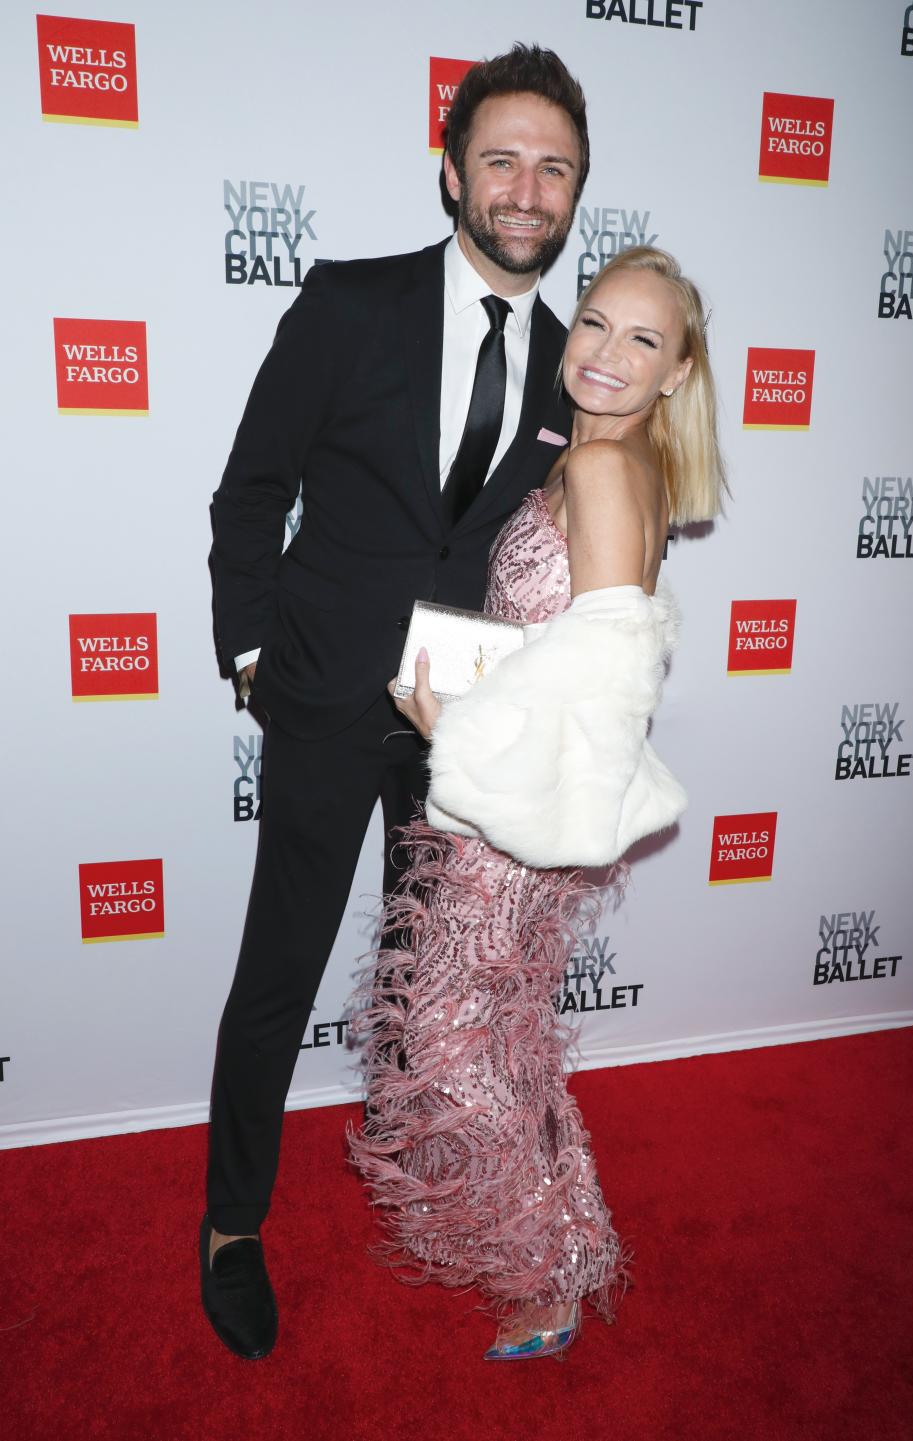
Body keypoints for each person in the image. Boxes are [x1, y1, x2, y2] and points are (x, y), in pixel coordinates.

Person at [202, 45, 591, 1359]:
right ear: (452, 174)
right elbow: (251, 491)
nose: (526, 188)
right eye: (503, 160)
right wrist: (250, 656)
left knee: (442, 995)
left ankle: (460, 1208)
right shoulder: (350, 306)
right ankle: (229, 1228)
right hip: (318, 700)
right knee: (279, 978)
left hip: (460, 730)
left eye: (554, 167)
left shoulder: (577, 365)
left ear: (576, 189)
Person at [348, 245, 726, 1359]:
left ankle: (549, 1273)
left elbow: (607, 682)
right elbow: (553, 648)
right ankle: (565, 1247)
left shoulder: (607, 473)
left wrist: (457, 732)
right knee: (501, 1037)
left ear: (677, 372)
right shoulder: (587, 456)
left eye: (642, 340)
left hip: (517, 818)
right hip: (512, 800)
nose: (605, 353)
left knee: (454, 1041)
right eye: (598, 323)